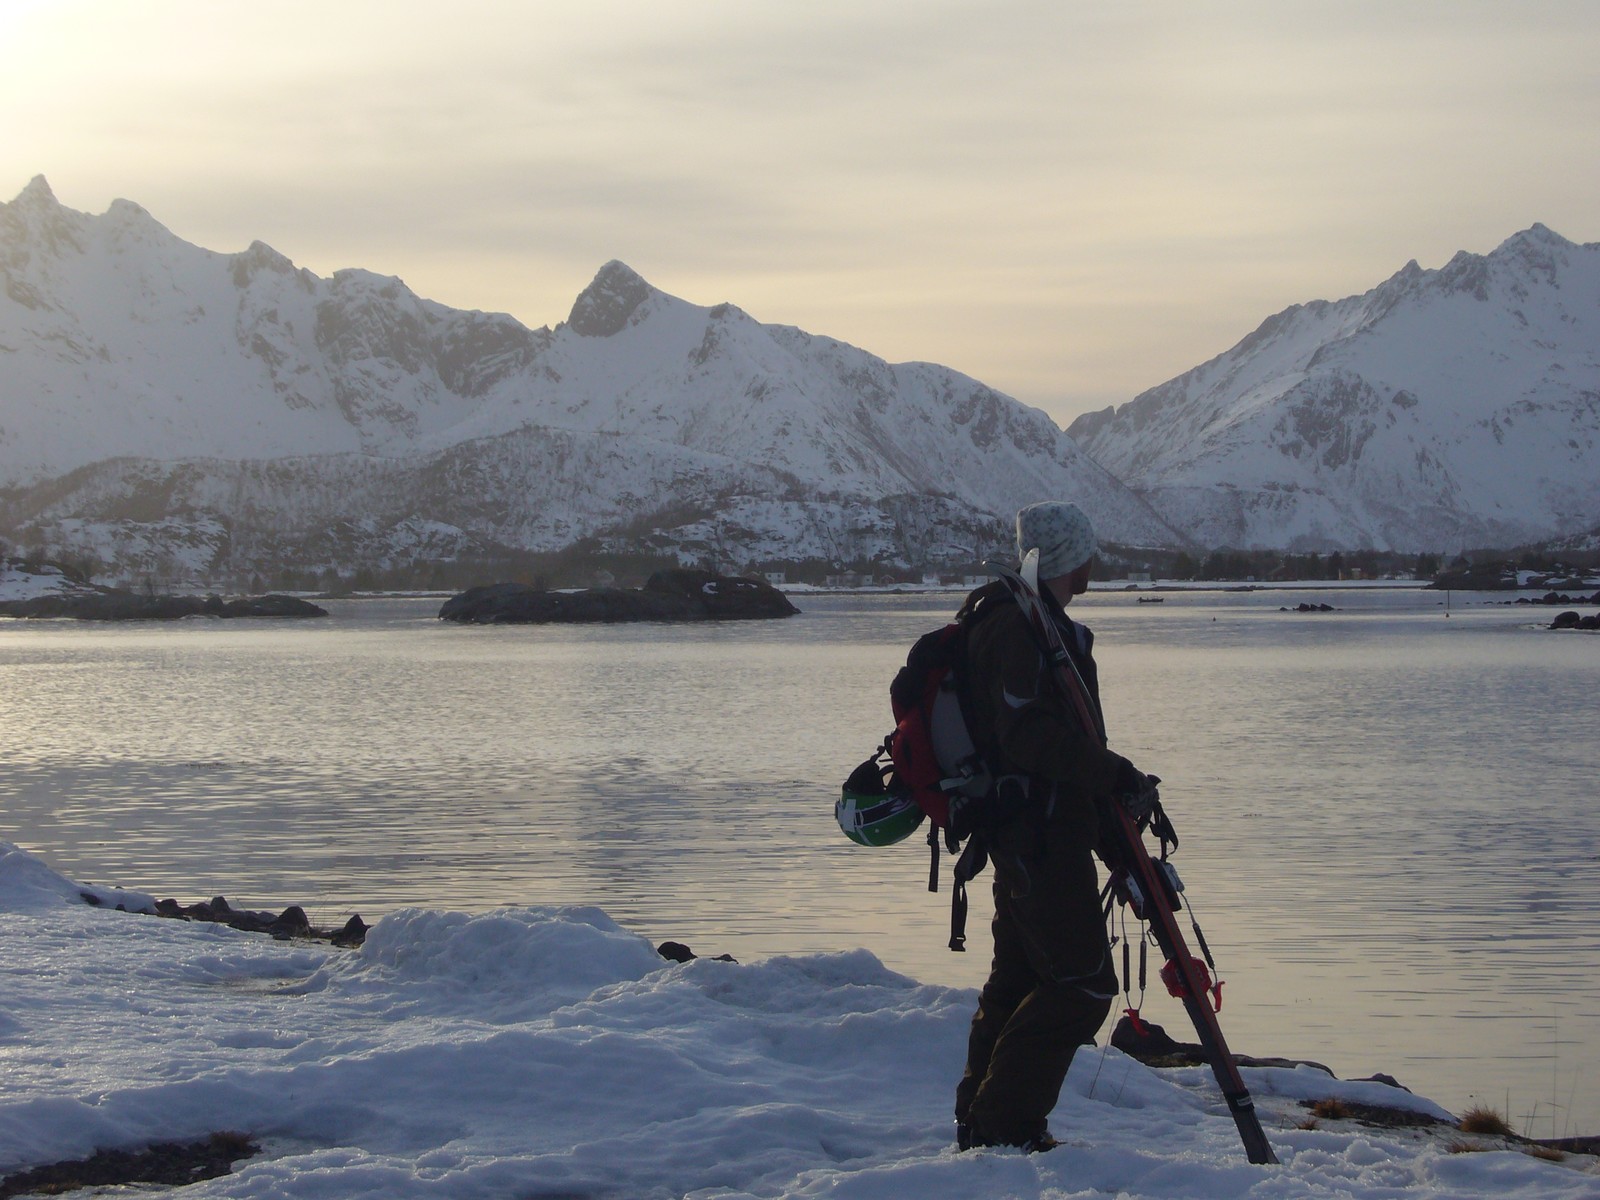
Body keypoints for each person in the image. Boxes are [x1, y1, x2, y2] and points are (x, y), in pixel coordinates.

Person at [954, 500, 1159, 1152]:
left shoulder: (1027, 621)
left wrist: (1109, 822)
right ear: (1071, 557)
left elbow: (1053, 741)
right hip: (1038, 838)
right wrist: (1114, 773)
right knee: (1081, 985)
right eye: (1087, 550)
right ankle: (1005, 1125)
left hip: (1034, 832)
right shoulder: (1020, 628)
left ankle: (981, 1127)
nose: (1093, 561)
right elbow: (1029, 737)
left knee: (1018, 982)